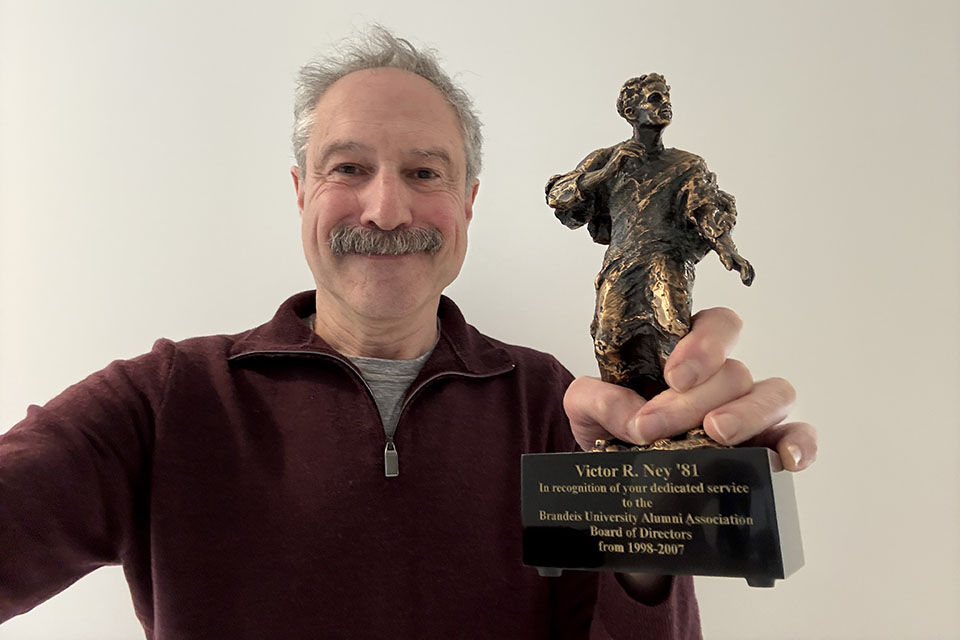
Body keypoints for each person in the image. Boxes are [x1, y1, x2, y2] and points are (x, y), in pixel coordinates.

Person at [0, 28, 816, 639]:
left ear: (467, 203)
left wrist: (654, 520)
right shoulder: (166, 399)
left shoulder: (563, 410)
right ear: (299, 192)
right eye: (348, 167)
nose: (386, 210)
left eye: (425, 172)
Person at [546, 73, 754, 402]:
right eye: (655, 99)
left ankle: (681, 420)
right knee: (609, 340)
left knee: (671, 332)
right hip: (621, 263)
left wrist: (728, 250)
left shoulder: (687, 165)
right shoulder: (608, 158)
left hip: (667, 260)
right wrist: (606, 172)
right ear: (631, 111)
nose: (665, 104)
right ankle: (621, 429)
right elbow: (560, 196)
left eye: (666, 98)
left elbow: (705, 208)